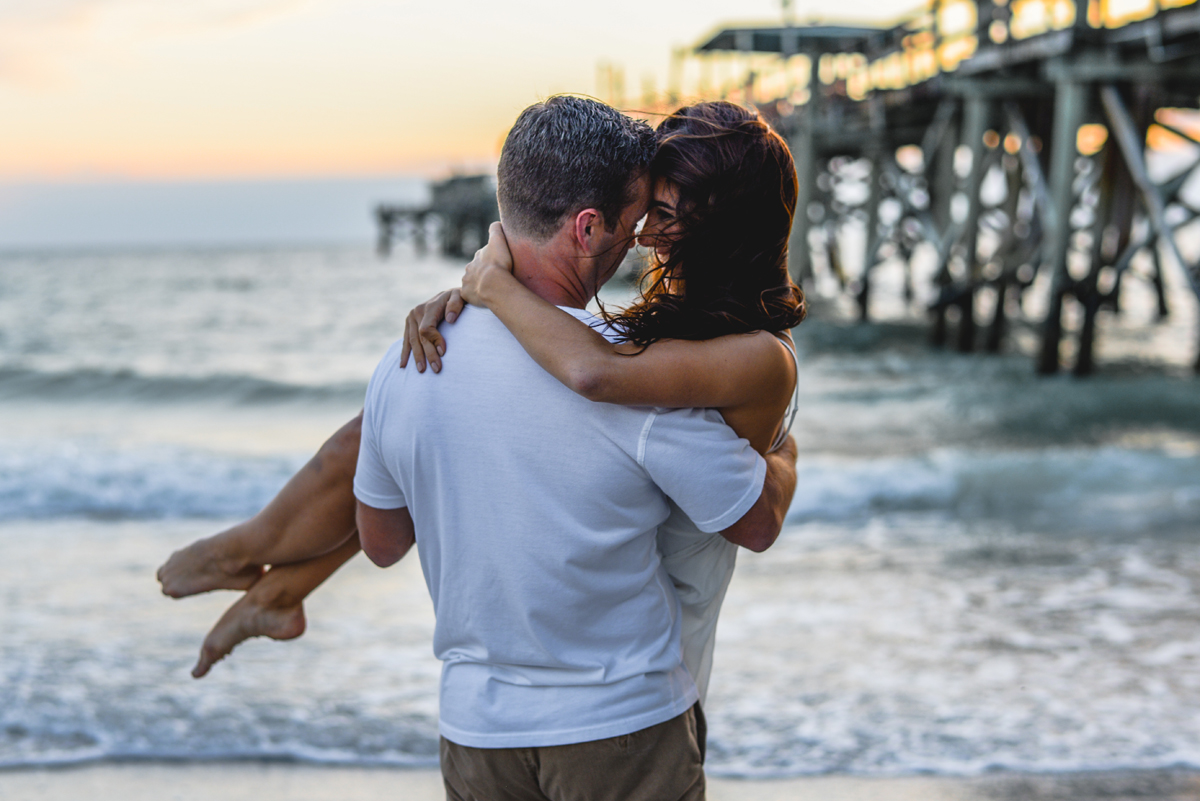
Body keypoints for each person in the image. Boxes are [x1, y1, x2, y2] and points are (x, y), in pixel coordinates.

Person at [159, 96, 799, 800]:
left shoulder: (714, 359)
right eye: (645, 212)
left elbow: (596, 378)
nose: (645, 235)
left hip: (543, 686)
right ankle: (270, 565)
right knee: (432, 417)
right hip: (615, 690)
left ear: (721, 229)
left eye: (667, 215)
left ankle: (269, 558)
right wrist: (483, 309)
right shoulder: (654, 351)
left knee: (411, 409)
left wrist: (490, 288)